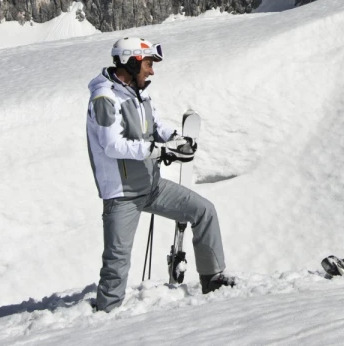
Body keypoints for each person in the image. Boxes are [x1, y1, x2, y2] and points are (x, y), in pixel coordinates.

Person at [86, 37, 235, 311]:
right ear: (131, 62)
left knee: (204, 211)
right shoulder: (104, 98)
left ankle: (212, 278)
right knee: (117, 261)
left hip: (152, 186)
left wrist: (175, 139)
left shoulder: (138, 92)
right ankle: (105, 315)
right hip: (122, 195)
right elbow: (111, 145)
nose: (152, 71)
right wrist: (159, 151)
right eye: (149, 64)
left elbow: (155, 124)